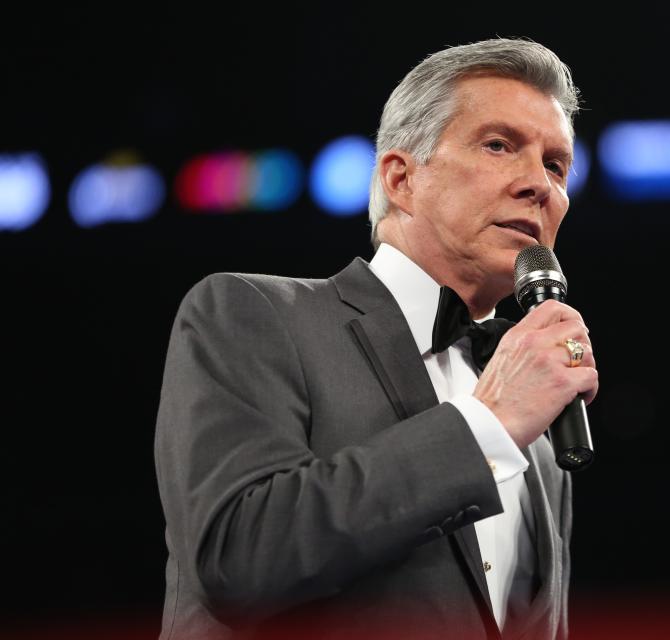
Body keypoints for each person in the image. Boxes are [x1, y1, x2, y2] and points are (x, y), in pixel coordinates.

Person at [154, 37, 598, 640]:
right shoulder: (251, 313)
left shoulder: (541, 432)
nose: (539, 185)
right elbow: (238, 557)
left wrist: (506, 419)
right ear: (401, 178)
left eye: (555, 164)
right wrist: (487, 424)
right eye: (499, 145)